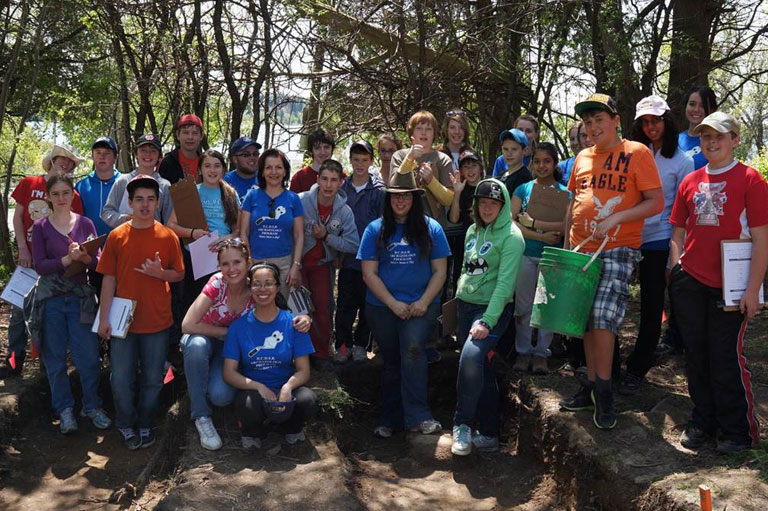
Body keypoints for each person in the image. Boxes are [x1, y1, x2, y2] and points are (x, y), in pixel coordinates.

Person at [559, 93, 663, 430]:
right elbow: (573, 205)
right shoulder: (582, 159)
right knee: (585, 319)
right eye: (588, 122)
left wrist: (617, 218)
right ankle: (590, 384)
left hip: (619, 247)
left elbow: (655, 202)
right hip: (581, 249)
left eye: (598, 120)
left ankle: (605, 392)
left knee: (603, 315)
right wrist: (565, 249)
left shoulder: (636, 153)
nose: (592, 127)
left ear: (615, 120)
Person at [669, 111, 768, 454]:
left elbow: (761, 238)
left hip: (731, 286)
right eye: (705, 137)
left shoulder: (751, 180)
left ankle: (736, 430)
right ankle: (703, 420)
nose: (711, 142)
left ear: (735, 140)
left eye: (719, 137)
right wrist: (675, 268)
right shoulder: (690, 181)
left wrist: (753, 289)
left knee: (725, 356)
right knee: (695, 355)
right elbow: (678, 231)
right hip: (689, 282)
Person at [181, 240, 311, 450]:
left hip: (230, 350)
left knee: (221, 396)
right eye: (225, 264)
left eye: (237, 262)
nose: (231, 269)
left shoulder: (257, 287)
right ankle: (201, 415)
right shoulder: (217, 284)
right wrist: (230, 332)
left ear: (248, 262)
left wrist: (306, 320)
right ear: (219, 266)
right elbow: (187, 325)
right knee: (196, 346)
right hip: (204, 337)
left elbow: (284, 314)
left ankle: (207, 385)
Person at [358, 171, 450, 438]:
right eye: (395, 196)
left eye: (406, 196)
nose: (400, 201)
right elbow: (369, 274)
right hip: (382, 307)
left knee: (412, 350)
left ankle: (419, 416)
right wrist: (393, 304)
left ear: (414, 198)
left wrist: (422, 302)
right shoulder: (375, 229)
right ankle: (390, 419)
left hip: (421, 306)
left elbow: (440, 272)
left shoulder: (431, 228)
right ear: (388, 199)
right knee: (391, 360)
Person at [97, 174, 185, 449]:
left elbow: (179, 275)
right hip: (122, 322)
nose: (145, 205)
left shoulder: (168, 236)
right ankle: (125, 423)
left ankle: (146, 422)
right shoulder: (116, 236)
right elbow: (108, 279)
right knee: (121, 380)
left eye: (150, 199)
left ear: (158, 202)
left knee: (152, 379)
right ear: (130, 203)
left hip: (157, 322)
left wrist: (161, 273)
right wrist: (103, 319)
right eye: (139, 200)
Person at [619, 95, 694, 395]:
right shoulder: (632, 153)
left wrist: (672, 259)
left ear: (667, 120)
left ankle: (638, 367)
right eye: (645, 122)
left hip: (659, 239)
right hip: (626, 236)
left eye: (656, 120)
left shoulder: (682, 160)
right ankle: (607, 362)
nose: (651, 127)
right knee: (615, 300)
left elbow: (684, 212)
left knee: (652, 305)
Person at [29, 174, 110, 434]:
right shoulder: (41, 227)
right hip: (51, 301)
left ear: (73, 194)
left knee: (87, 357)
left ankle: (92, 405)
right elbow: (40, 265)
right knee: (54, 359)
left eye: (66, 193)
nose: (62, 198)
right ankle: (64, 410)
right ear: (49, 197)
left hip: (80, 299)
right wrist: (66, 260)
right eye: (56, 194)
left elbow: (98, 263)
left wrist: (85, 258)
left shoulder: (85, 223)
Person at [450, 178, 524, 456]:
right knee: (482, 367)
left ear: (503, 205)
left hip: (491, 311)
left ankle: (462, 425)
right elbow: (466, 270)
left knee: (470, 358)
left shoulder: (512, 237)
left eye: (493, 203)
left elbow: (505, 287)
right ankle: (491, 433)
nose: (487, 208)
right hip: (465, 307)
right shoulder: (472, 231)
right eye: (482, 202)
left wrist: (487, 321)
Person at [2, 144, 85, 378]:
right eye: (63, 159)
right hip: (28, 261)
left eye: (71, 162)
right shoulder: (29, 183)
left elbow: (75, 226)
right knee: (18, 312)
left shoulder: (72, 195)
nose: (66, 164)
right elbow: (18, 217)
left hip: (55, 264)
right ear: (52, 159)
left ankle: (45, 368)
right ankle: (13, 362)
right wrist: (22, 249)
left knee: (49, 315)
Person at [223, 262, 317, 449]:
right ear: (250, 288)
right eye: (257, 284)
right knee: (246, 404)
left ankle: (291, 430)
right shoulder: (238, 327)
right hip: (255, 392)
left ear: (277, 287)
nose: (262, 289)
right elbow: (229, 373)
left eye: (268, 283)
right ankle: (254, 433)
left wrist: (288, 387)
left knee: (307, 399)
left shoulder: (293, 323)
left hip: (285, 389)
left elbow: (303, 370)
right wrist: (258, 387)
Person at [511, 142, 571, 375]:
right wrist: (539, 236)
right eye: (537, 161)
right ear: (531, 163)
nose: (542, 166)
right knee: (524, 306)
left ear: (555, 163)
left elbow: (567, 225)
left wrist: (536, 225)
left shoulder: (566, 192)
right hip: (526, 254)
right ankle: (523, 351)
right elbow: (512, 221)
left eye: (547, 161)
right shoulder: (523, 190)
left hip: (552, 255)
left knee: (546, 306)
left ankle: (541, 354)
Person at [299, 159, 360, 368]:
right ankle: (298, 355)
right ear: (317, 179)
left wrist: (327, 237)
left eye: (333, 180)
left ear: (341, 183)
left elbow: (353, 244)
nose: (328, 185)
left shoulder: (344, 211)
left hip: (322, 265)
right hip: (297, 263)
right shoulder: (300, 201)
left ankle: (321, 353)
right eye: (324, 179)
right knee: (298, 308)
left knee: (323, 308)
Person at [168, 150, 241, 305]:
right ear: (200, 170)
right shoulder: (189, 192)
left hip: (223, 257)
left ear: (223, 169)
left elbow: (238, 230)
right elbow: (171, 225)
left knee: (221, 302)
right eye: (207, 166)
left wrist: (225, 240)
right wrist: (192, 233)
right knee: (197, 302)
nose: (212, 170)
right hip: (195, 258)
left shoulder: (231, 194)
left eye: (217, 166)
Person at [335, 141, 385, 363]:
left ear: (371, 162)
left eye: (364, 160)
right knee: (345, 304)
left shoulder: (379, 191)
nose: (360, 164)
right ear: (350, 160)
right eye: (356, 159)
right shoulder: (342, 188)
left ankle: (361, 345)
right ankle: (342, 345)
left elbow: (384, 225)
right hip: (347, 258)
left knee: (368, 305)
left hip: (370, 260)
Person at [240, 148, 304, 298]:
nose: (273, 172)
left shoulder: (293, 199)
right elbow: (244, 232)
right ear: (261, 171)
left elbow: (299, 235)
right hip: (255, 261)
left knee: (280, 308)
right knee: (255, 307)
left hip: (283, 263)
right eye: (268, 167)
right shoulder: (252, 196)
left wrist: (295, 266)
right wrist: (248, 260)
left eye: (278, 167)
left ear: (285, 171)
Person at [390, 110, 455, 225]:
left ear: (434, 134)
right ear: (412, 133)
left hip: (435, 226)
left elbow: (449, 200)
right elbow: (393, 187)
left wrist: (431, 181)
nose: (423, 133)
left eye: (429, 129)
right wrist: (409, 159)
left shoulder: (443, 159)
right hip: (403, 223)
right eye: (419, 128)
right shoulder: (399, 156)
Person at [76, 136, 121, 293]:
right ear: (92, 156)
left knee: (122, 301)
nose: (102, 156)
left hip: (122, 253)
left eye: (107, 153)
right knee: (97, 301)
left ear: (115, 157)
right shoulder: (81, 186)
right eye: (98, 152)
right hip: (93, 256)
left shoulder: (126, 183)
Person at [101, 134, 174, 228]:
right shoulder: (122, 181)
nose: (148, 154)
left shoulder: (164, 185)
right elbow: (107, 213)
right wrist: (126, 219)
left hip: (153, 238)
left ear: (159, 156)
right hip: (126, 237)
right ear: (136, 154)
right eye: (143, 150)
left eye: (153, 151)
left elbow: (169, 221)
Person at [447, 150, 485, 294]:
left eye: (473, 165)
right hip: (465, 242)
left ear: (480, 167)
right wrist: (457, 194)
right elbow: (454, 219)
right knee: (461, 279)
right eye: (466, 167)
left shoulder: (489, 185)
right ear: (461, 171)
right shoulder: (460, 188)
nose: (470, 170)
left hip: (487, 241)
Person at [678, 86, 717, 171]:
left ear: (712, 110)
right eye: (692, 104)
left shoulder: (717, 142)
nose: (696, 109)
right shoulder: (675, 140)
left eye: (702, 106)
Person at [159, 114, 205, 184]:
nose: (190, 137)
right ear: (178, 135)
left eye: (195, 133)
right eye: (186, 133)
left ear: (201, 136)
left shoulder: (206, 163)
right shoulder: (167, 163)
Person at [290, 129, 335, 193]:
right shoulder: (299, 178)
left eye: (326, 147)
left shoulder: (341, 177)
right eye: (317, 148)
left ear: (332, 149)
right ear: (311, 151)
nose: (322, 152)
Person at [497, 128, 533, 205]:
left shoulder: (524, 177)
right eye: (505, 149)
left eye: (514, 149)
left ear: (525, 150)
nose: (509, 154)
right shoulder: (502, 174)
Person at [225, 136, 261, 201]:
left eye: (255, 154)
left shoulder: (266, 179)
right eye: (246, 154)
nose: (252, 158)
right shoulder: (225, 182)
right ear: (235, 159)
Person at [557, 122, 582, 186]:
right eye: (572, 139)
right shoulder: (562, 167)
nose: (575, 142)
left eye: (578, 138)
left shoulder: (596, 163)